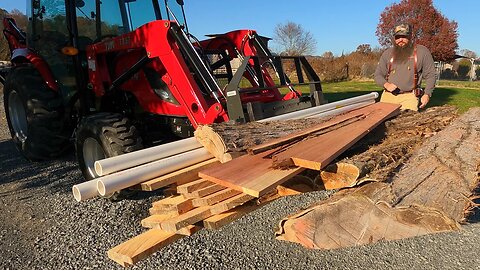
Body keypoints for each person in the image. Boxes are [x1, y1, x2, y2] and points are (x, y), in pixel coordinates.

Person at [374, 23, 436, 111]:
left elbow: (431, 75)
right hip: (388, 97)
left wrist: (427, 94)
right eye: (397, 37)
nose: (400, 40)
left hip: (409, 98)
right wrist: (386, 84)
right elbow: (378, 75)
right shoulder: (388, 53)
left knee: (407, 123)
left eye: (403, 36)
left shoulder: (422, 52)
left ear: (410, 37)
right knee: (382, 123)